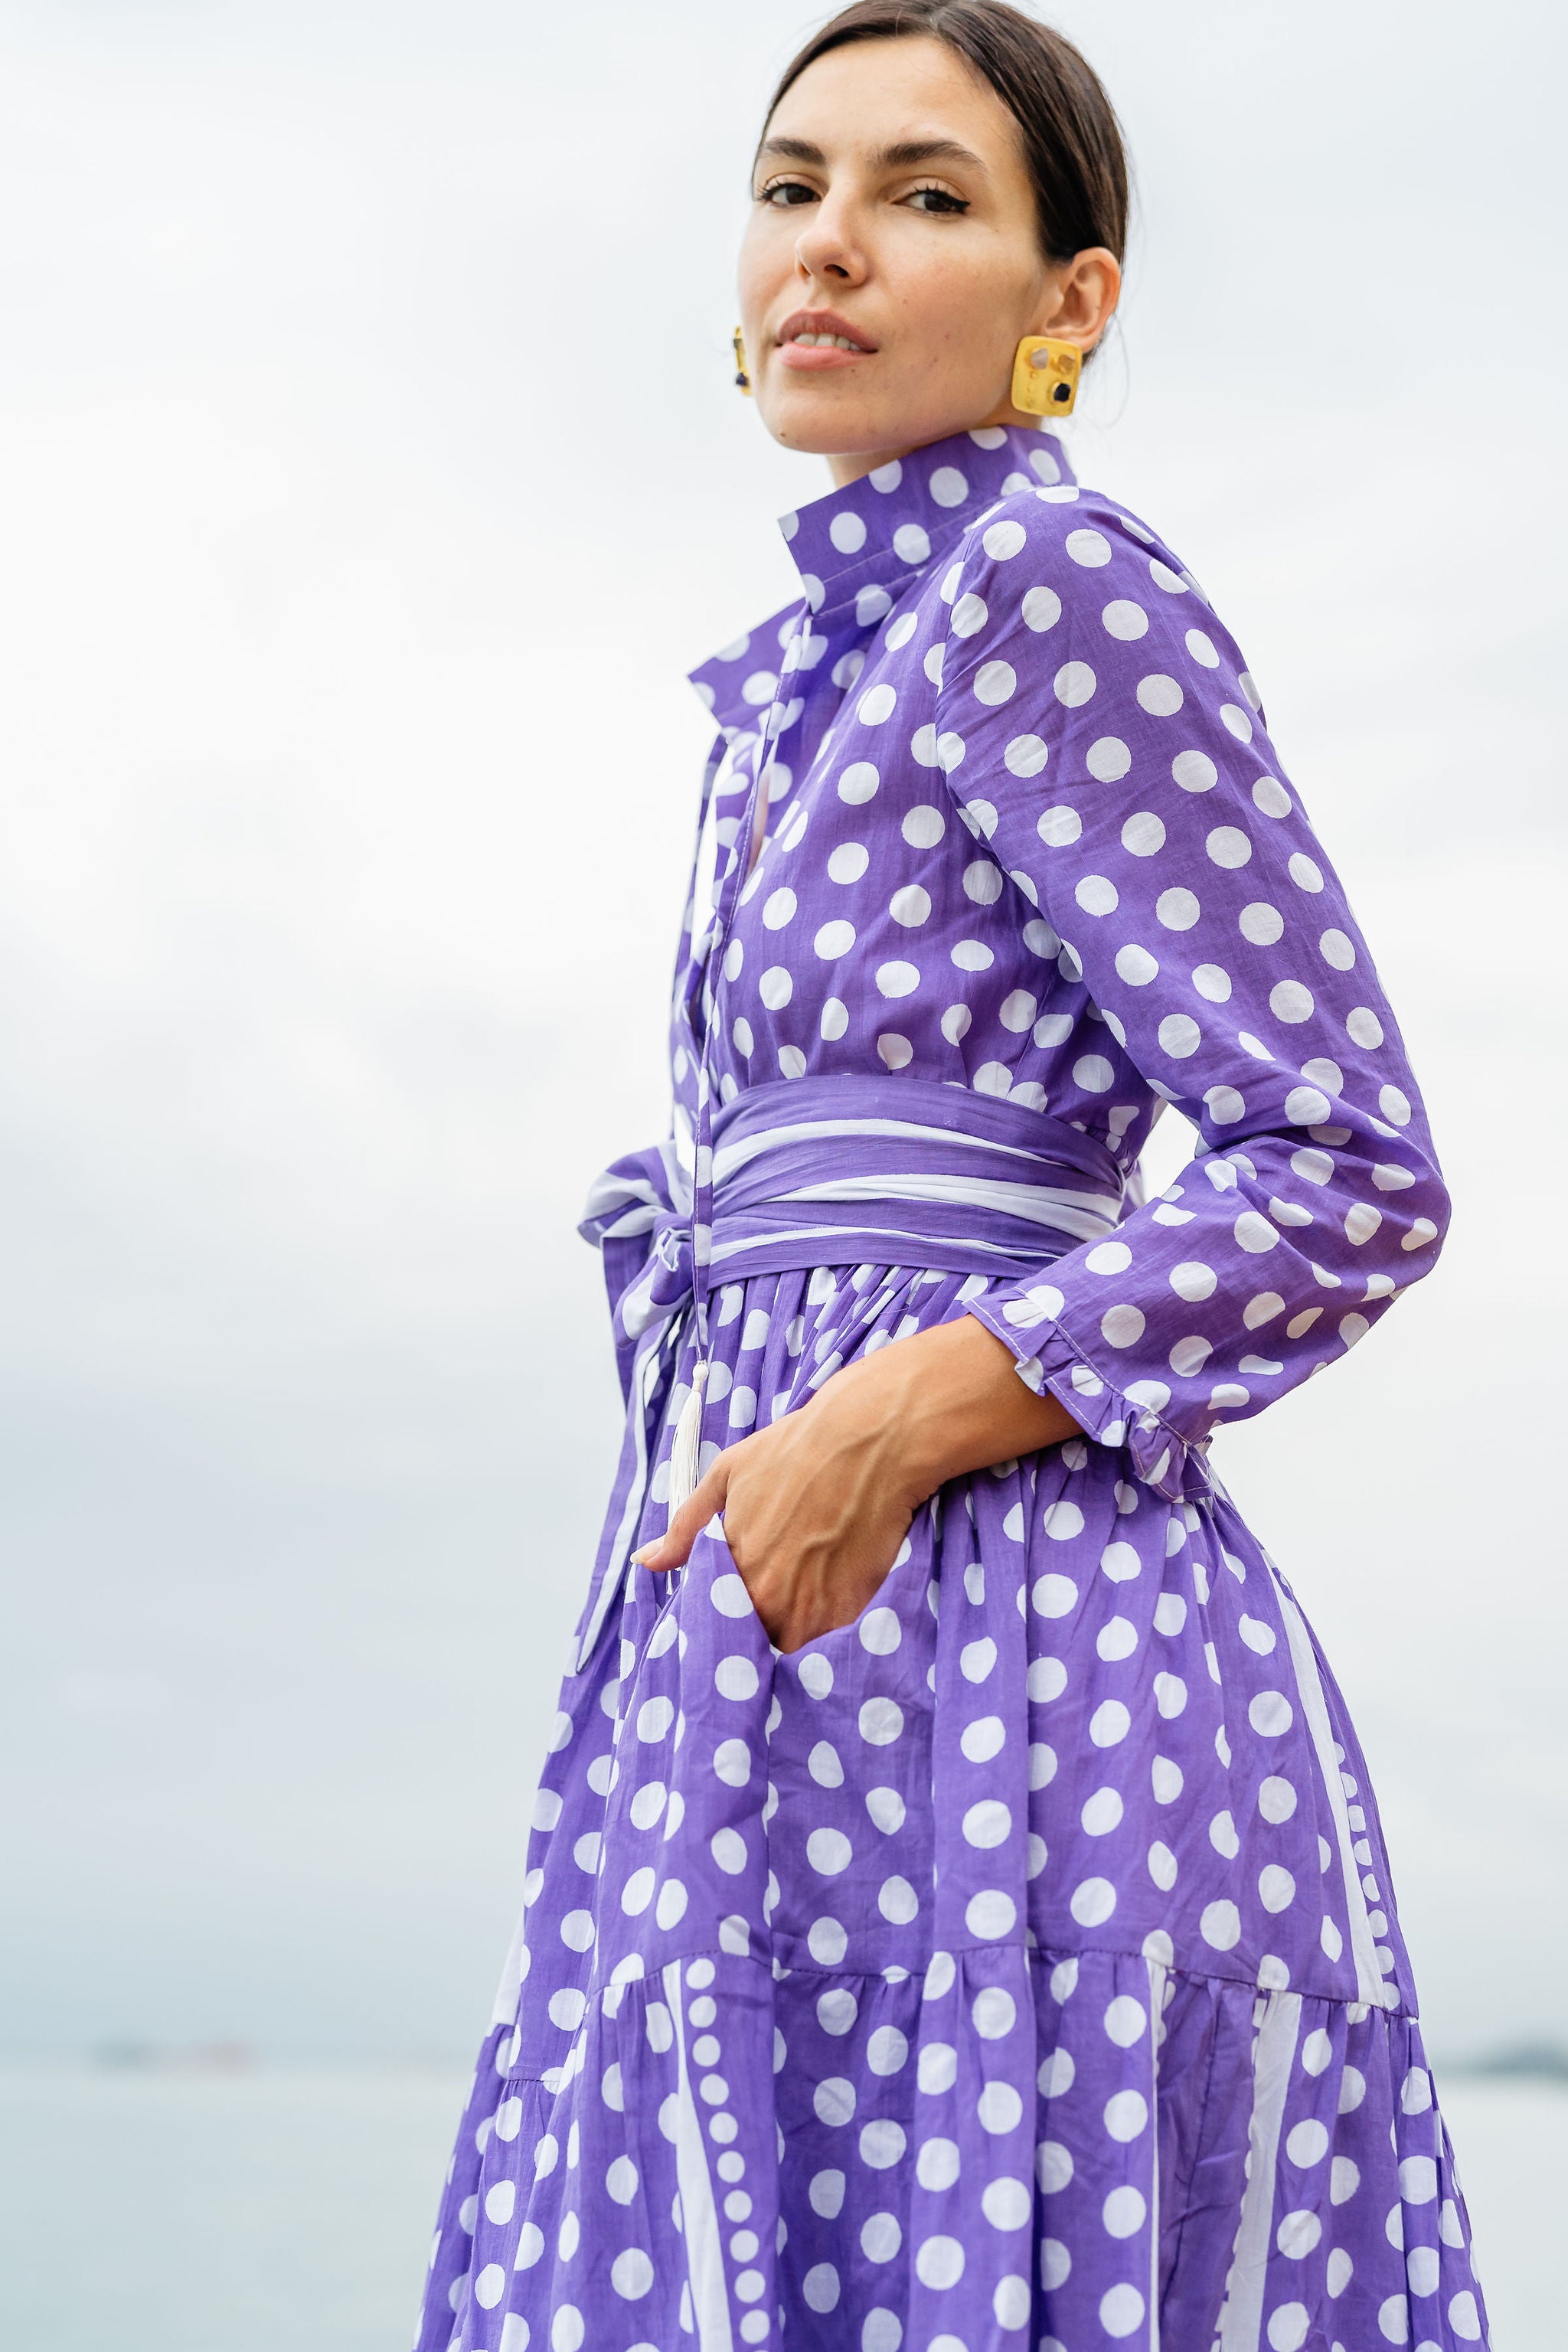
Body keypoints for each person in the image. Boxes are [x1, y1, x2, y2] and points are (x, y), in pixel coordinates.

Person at [416, 7, 1488, 2347]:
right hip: (789, 1642)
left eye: (924, 196)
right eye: (788, 185)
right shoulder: (810, 673)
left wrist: (890, 1423)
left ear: (1066, 300)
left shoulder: (1050, 589)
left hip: (1014, 1660)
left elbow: (1347, 1166)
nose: (827, 245)